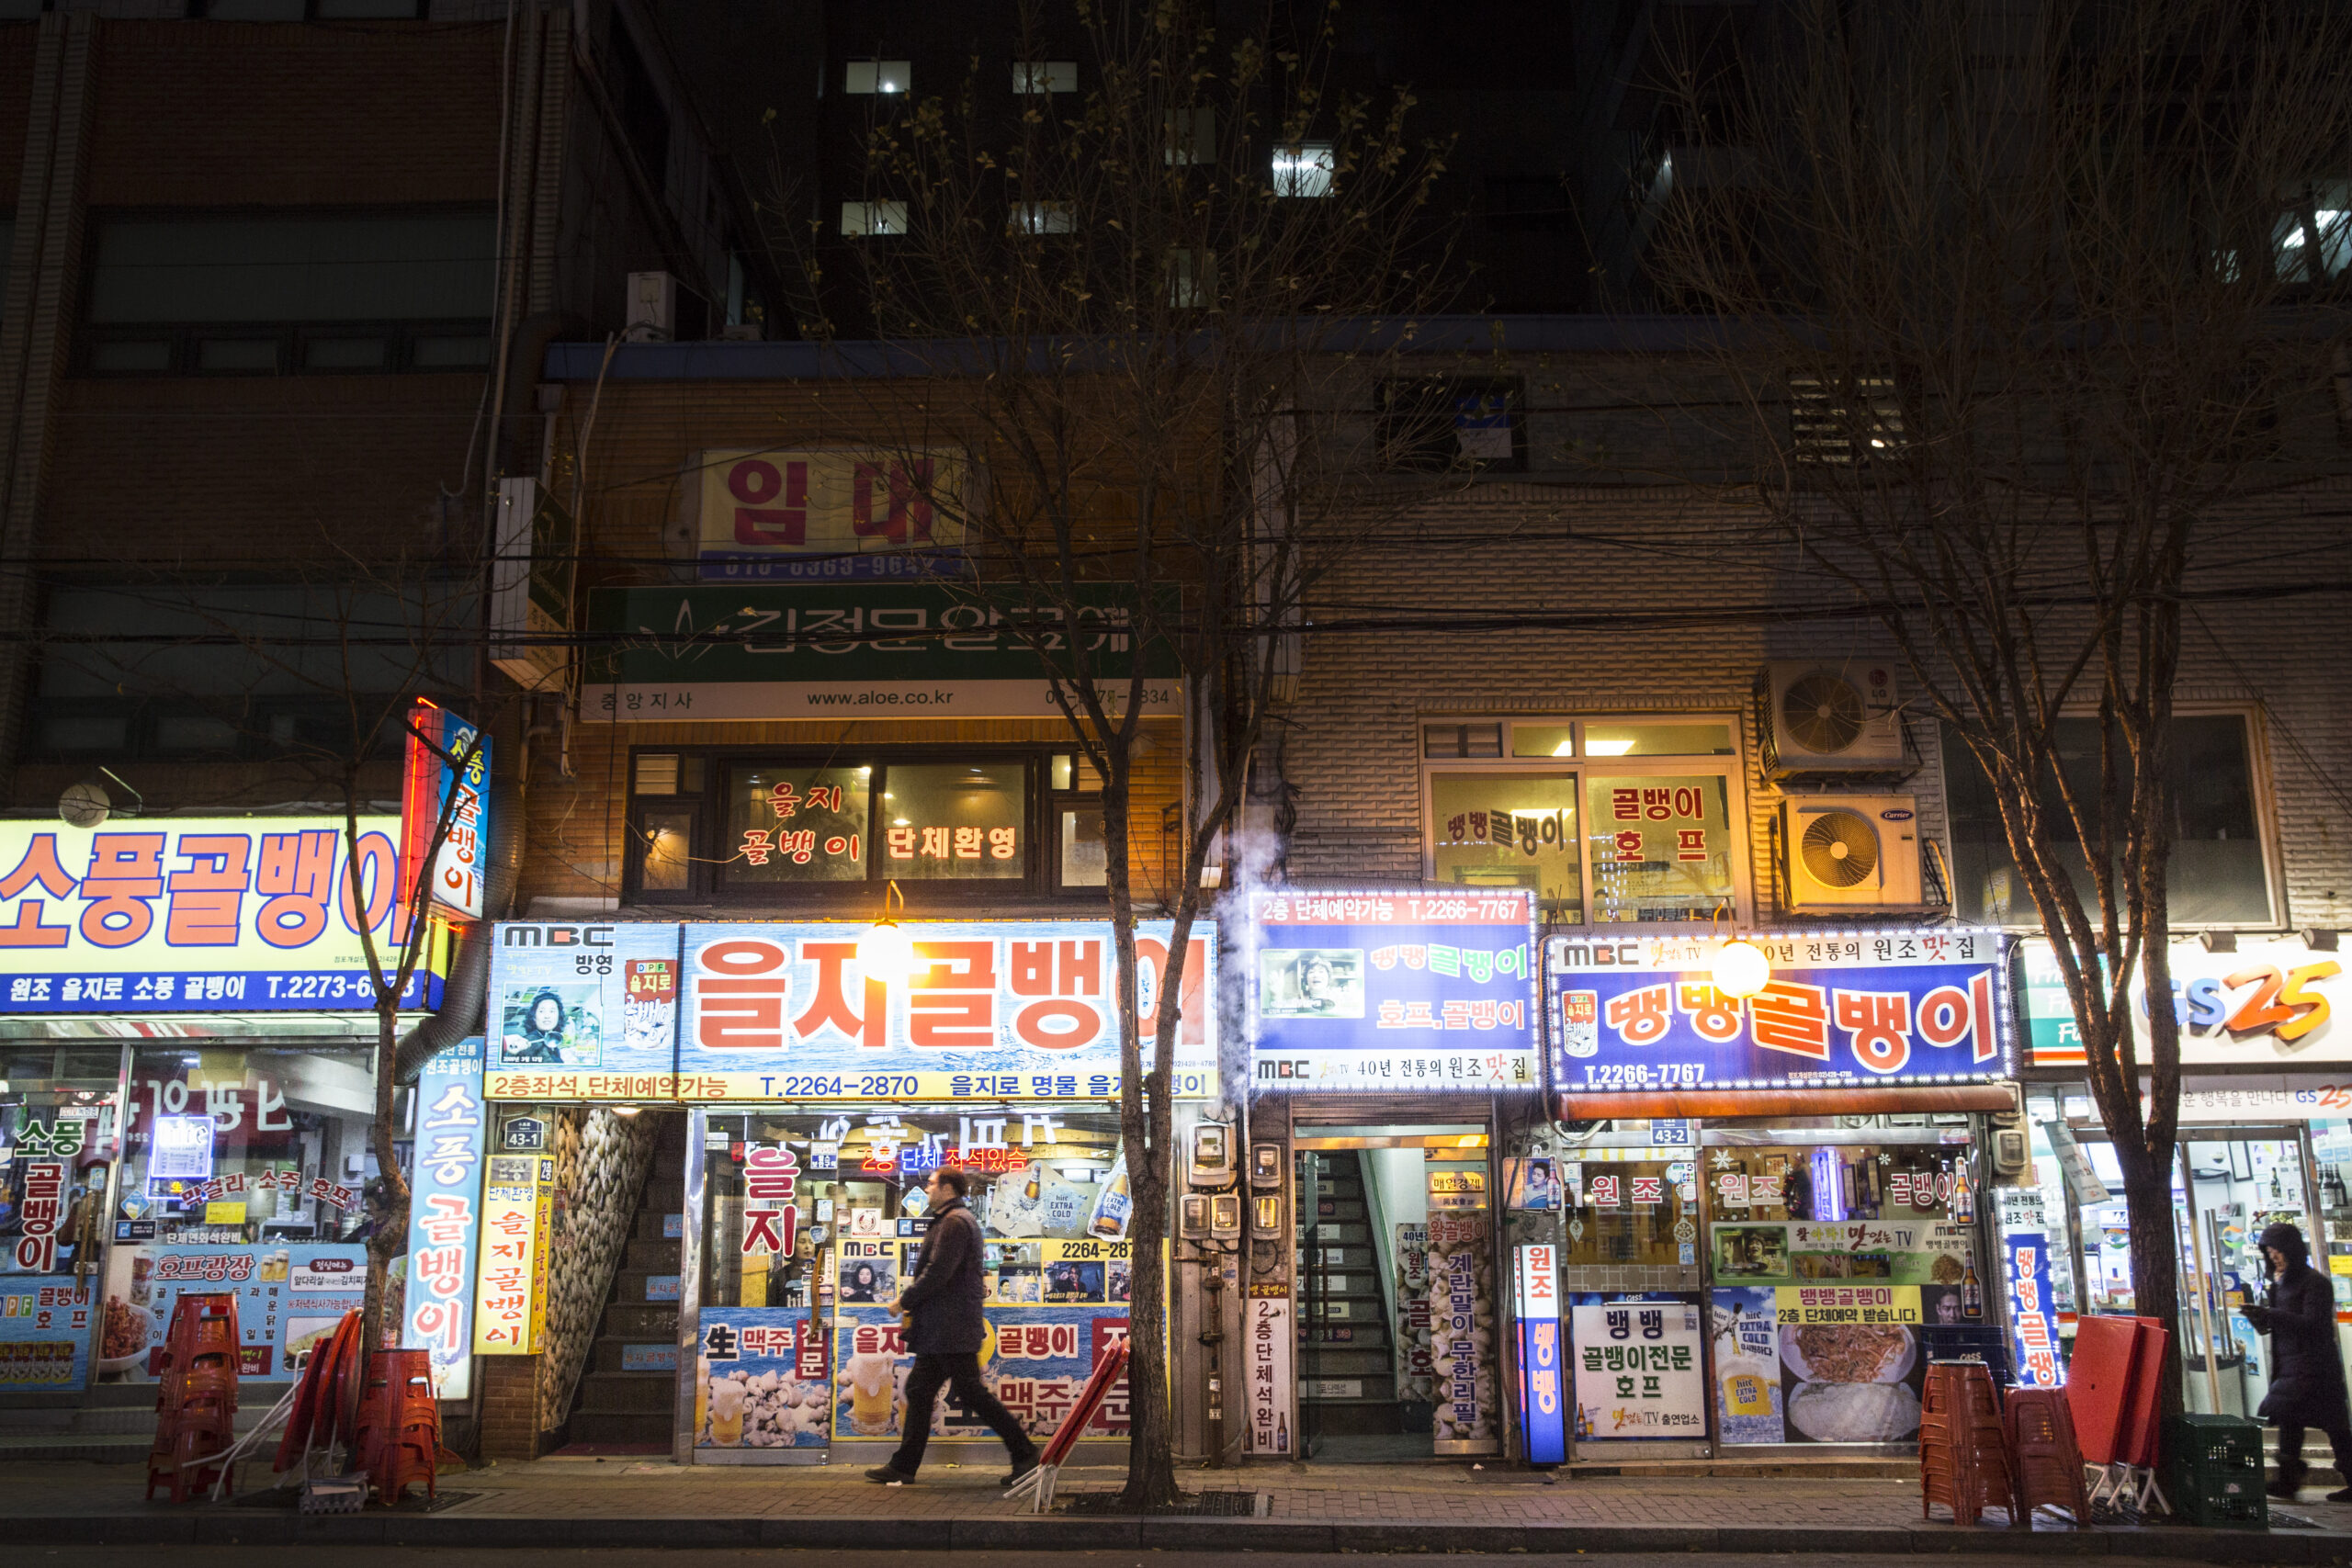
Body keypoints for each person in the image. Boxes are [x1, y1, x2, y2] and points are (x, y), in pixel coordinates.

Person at [867, 1166, 1039, 1488]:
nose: (928, 1189)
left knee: (969, 1393)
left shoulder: (956, 1223)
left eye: (932, 1184)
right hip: (944, 1328)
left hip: (950, 1329)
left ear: (948, 1189)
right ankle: (904, 1466)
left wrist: (903, 1301)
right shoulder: (953, 1220)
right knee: (920, 1391)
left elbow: (937, 1273)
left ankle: (1026, 1454)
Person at [2241, 1221, 2352, 1501]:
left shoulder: (2315, 1283)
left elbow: (2312, 1324)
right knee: (2293, 1420)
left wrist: (2271, 1315)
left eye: (2277, 1250)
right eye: (2269, 1251)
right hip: (2293, 1367)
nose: (2273, 1256)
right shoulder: (2279, 1284)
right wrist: (2263, 1317)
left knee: (2334, 1426)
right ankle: (2288, 1480)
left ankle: (2291, 1480)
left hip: (2315, 1368)